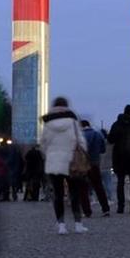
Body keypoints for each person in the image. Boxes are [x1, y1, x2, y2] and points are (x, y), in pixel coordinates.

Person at [39, 96, 88, 235]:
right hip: (71, 161)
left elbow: (43, 144)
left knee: (58, 194)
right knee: (74, 193)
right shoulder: (72, 121)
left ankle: (61, 225)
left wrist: (48, 155)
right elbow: (81, 141)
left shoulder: (47, 124)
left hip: (54, 162)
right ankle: (78, 224)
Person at [107, 105, 130, 214]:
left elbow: (110, 139)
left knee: (120, 182)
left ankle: (121, 207)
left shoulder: (116, 125)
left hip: (119, 156)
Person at [80, 119, 110, 217]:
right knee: (99, 186)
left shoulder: (80, 136)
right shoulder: (98, 134)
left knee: (84, 188)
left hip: (84, 164)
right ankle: (105, 209)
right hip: (95, 163)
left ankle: (87, 211)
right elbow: (103, 149)